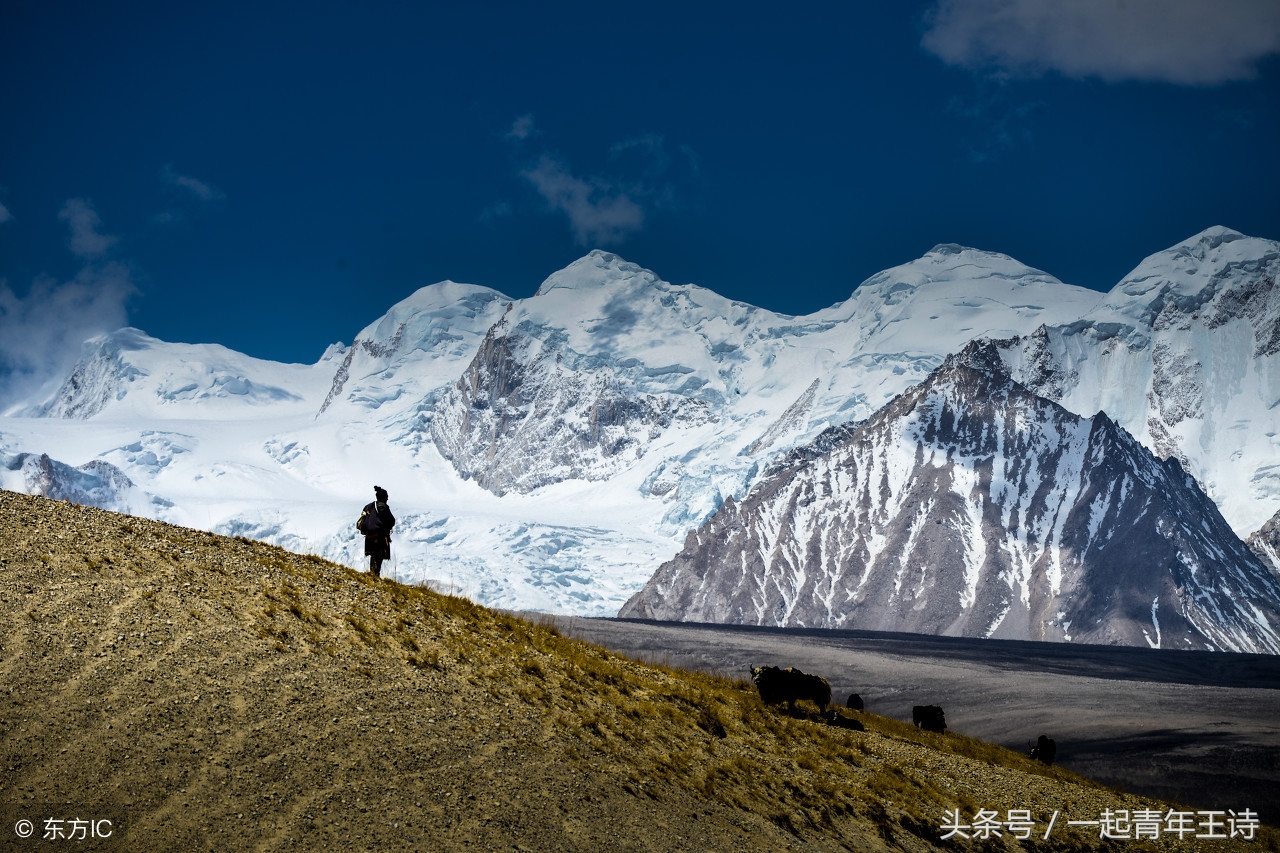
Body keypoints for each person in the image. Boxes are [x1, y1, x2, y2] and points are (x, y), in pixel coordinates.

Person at [358, 485, 396, 578]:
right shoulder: (383, 507)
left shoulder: (369, 506)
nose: (387, 498)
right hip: (380, 537)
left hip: (369, 536)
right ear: (384, 497)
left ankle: (372, 574)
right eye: (386, 497)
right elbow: (391, 521)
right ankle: (375, 576)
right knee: (378, 556)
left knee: (373, 556)